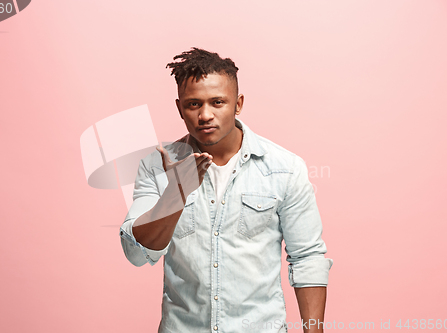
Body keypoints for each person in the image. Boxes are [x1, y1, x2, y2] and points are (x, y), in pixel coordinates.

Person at [120, 47, 333, 333]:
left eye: (217, 102)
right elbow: (136, 254)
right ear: (179, 107)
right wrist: (176, 193)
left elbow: (307, 258)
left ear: (238, 104)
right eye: (193, 104)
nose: (205, 115)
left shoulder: (285, 168)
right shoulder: (156, 167)